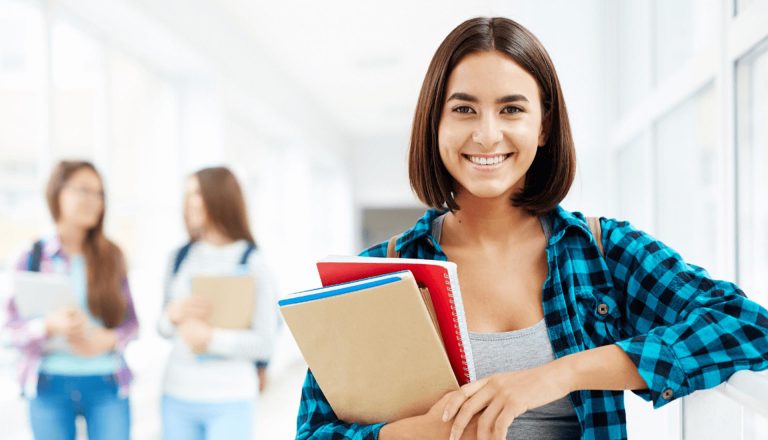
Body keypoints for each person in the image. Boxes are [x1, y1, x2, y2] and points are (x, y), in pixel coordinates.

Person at [295, 17, 768, 440]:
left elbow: (748, 326)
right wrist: (410, 435)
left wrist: (561, 373)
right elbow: (314, 431)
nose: (486, 134)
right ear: (434, 123)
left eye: (511, 109)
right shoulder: (378, 274)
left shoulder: (601, 252)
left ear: (543, 125)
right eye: (463, 109)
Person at [3, 160, 138, 440]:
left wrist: (110, 339)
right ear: (57, 193)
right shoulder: (31, 257)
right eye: (84, 191)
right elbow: (9, 331)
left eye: (99, 194)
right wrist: (47, 326)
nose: (94, 201)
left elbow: (132, 324)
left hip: (106, 382)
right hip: (50, 384)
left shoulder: (112, 257)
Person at [157, 166, 277, 440]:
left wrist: (211, 339)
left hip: (230, 396)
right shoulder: (178, 258)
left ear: (220, 197)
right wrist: (172, 316)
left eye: (196, 193)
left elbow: (265, 342)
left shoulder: (254, 263)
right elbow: (161, 329)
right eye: (186, 194)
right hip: (176, 393)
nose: (189, 202)